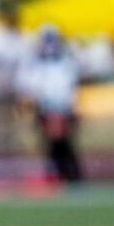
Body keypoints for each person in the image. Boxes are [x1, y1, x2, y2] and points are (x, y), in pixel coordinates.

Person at [16, 24, 83, 182]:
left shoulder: (66, 60)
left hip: (61, 107)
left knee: (63, 143)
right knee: (53, 145)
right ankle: (60, 174)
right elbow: (26, 84)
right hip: (46, 107)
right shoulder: (34, 62)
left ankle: (71, 175)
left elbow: (71, 85)